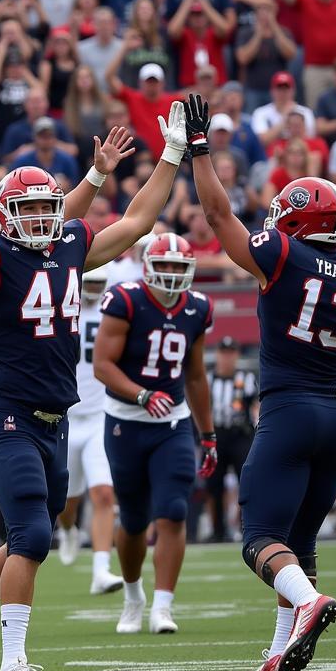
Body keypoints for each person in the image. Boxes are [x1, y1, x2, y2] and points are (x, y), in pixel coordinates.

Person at [0, 102, 186, 671]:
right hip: (5, 413)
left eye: (46, 208)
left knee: (27, 538)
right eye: (25, 208)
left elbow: (135, 224)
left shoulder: (73, 242)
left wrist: (173, 157)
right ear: (4, 217)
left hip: (55, 418)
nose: (37, 217)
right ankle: (13, 666)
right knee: (30, 534)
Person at [188, 91, 336, 671]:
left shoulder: (282, 253)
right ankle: (278, 656)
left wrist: (199, 153)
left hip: (290, 407)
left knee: (262, 539)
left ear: (297, 221)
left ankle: (308, 605)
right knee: (302, 541)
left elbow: (220, 219)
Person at [93, 234, 216, 635]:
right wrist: (142, 394)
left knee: (174, 510)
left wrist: (208, 434)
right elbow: (103, 366)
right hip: (125, 421)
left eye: (180, 268)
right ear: (148, 266)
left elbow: (196, 376)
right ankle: (133, 597)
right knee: (132, 520)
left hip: (173, 424)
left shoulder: (197, 307)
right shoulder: (126, 300)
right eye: (165, 266)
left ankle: (163, 605)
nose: (172, 274)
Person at [55, 264, 124, 595]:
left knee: (103, 493)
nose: (94, 289)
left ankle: (101, 569)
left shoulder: (115, 312)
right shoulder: (62, 311)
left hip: (99, 415)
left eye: (99, 283)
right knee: (67, 501)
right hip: (67, 415)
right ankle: (68, 530)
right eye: (89, 282)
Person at [206, 336, 258, 544]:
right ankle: (218, 530)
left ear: (236, 355)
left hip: (240, 435)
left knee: (246, 482)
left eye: (231, 353)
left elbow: (255, 405)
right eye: (223, 353)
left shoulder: (245, 378)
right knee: (214, 484)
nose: (227, 358)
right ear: (218, 355)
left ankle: (250, 528)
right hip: (216, 435)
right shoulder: (208, 379)